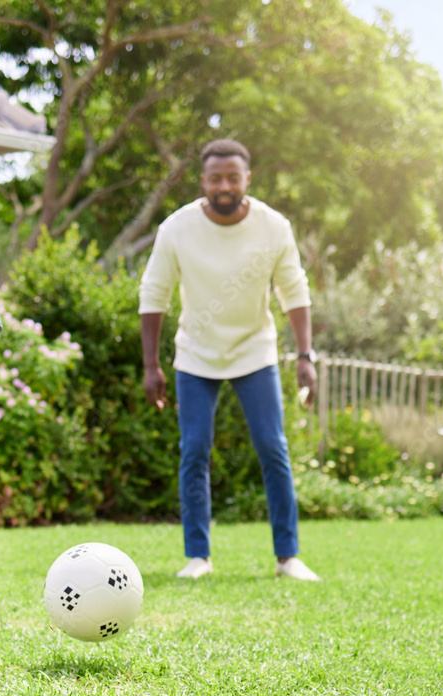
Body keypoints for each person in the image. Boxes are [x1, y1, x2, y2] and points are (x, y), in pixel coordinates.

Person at [139, 139, 321, 582]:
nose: (225, 185)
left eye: (233, 178)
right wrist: (151, 365)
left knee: (272, 447)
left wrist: (304, 355)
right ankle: (198, 556)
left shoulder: (274, 226)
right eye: (216, 178)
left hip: (254, 351)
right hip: (196, 355)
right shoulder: (177, 228)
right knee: (195, 449)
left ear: (247, 180)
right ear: (203, 182)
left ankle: (287, 557)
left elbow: (294, 291)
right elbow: (154, 294)